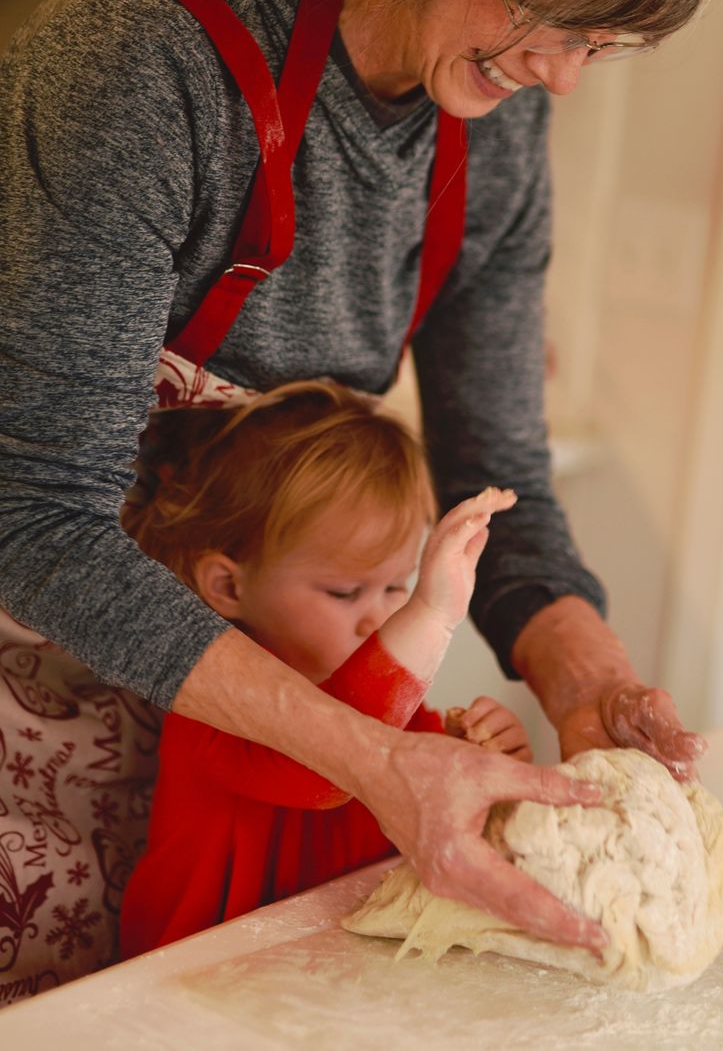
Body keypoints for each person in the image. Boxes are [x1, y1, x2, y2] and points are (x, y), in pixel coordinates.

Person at [0, 0, 723, 998]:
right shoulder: (143, 63)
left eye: (599, 46)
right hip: (29, 745)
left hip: (234, 769)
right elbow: (38, 518)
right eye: (549, 17)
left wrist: (586, 674)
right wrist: (379, 757)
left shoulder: (487, 121)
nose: (560, 77)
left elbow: (499, 465)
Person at [118, 380, 530, 957]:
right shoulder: (209, 700)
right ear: (229, 585)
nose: (380, 619)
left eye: (396, 586)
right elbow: (326, 772)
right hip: (186, 976)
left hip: (325, 966)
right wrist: (431, 613)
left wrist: (482, 756)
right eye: (344, 592)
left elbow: (429, 803)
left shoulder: (393, 704)